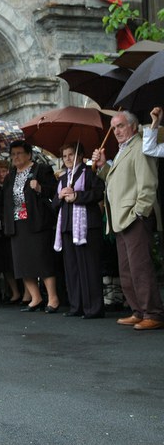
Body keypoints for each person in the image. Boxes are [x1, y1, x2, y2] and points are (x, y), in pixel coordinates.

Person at [92, 111, 164, 330]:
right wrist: (103, 166)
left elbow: (148, 183)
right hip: (120, 219)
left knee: (140, 267)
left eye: (121, 126)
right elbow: (117, 181)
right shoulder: (123, 150)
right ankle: (138, 311)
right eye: (114, 128)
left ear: (133, 126)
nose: (116, 131)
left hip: (134, 218)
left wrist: (139, 212)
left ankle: (153, 313)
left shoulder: (140, 147)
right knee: (126, 269)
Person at [0, 141, 59, 313]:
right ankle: (36, 298)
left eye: (19, 153)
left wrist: (40, 188)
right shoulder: (11, 175)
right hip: (17, 224)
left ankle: (53, 298)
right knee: (22, 263)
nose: (15, 157)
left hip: (37, 222)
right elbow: (3, 200)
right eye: (13, 154)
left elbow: (54, 190)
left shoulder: (41, 170)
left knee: (42, 260)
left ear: (29, 154)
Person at [52, 144, 105, 319]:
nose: (67, 158)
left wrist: (77, 196)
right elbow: (54, 205)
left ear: (80, 155)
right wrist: (60, 196)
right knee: (72, 269)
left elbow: (99, 193)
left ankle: (93, 308)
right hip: (67, 227)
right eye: (64, 155)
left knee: (89, 268)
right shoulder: (62, 178)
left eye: (71, 154)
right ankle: (76, 306)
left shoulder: (89, 172)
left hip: (87, 227)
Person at [0, 159, 20, 304]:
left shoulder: (11, 185)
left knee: (13, 262)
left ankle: (19, 292)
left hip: (11, 227)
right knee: (3, 263)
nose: (1, 174)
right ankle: (12, 291)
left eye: (4, 171)